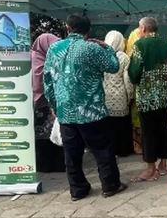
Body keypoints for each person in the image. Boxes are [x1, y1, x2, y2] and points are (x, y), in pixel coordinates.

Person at [44, 15, 126, 201]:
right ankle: (110, 185)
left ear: (67, 27)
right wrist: (107, 47)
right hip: (92, 111)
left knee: (71, 154)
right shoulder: (91, 48)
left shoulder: (54, 49)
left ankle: (78, 190)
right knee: (103, 150)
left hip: (66, 111)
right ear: (88, 30)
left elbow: (47, 80)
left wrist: (54, 105)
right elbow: (113, 66)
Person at [128, 17, 167, 181]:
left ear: (143, 28)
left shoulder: (140, 45)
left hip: (146, 98)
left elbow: (134, 73)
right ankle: (163, 165)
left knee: (148, 132)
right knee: (163, 130)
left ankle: (151, 169)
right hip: (164, 96)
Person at [31, 33, 65, 173]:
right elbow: (38, 83)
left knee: (52, 133)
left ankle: (55, 164)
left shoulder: (50, 58)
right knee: (43, 135)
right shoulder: (35, 58)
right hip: (41, 104)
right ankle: (48, 165)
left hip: (46, 103)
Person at [103, 30, 134, 157]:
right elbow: (127, 80)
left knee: (108, 126)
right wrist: (130, 95)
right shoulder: (124, 57)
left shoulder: (103, 56)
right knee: (121, 125)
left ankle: (110, 150)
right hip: (120, 97)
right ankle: (123, 150)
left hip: (105, 96)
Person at [125, 27, 143, 154]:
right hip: (145, 91)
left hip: (135, 89)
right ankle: (143, 146)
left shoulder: (128, 57)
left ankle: (137, 146)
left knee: (136, 118)